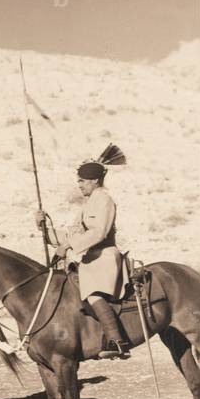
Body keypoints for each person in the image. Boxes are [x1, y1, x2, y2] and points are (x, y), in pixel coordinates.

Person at [36, 152, 129, 359]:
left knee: (93, 293)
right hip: (89, 258)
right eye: (79, 180)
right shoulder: (87, 204)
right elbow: (72, 234)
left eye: (82, 180)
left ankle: (116, 341)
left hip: (104, 256)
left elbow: (99, 232)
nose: (79, 185)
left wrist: (68, 245)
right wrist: (44, 228)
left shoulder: (104, 200)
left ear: (95, 180)